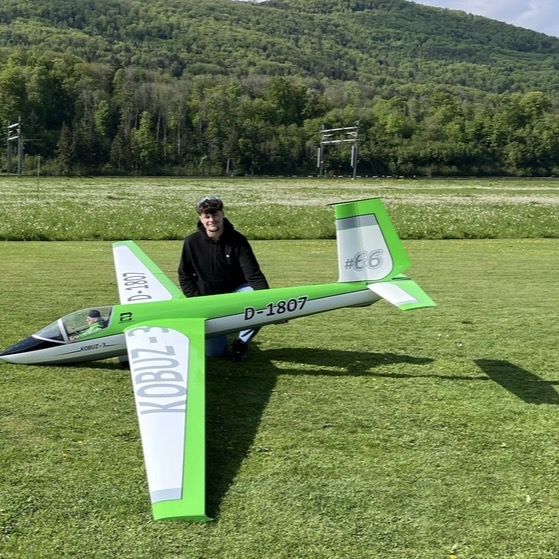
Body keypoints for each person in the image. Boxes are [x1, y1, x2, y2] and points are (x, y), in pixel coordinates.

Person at [178, 195, 270, 362]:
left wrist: (270, 302)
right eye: (207, 216)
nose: (212, 220)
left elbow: (253, 274)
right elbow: (185, 275)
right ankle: (224, 330)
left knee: (257, 301)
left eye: (215, 215)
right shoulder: (191, 242)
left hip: (236, 292)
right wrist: (196, 302)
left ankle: (241, 342)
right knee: (215, 353)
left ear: (222, 215)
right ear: (201, 218)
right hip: (207, 299)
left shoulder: (238, 240)